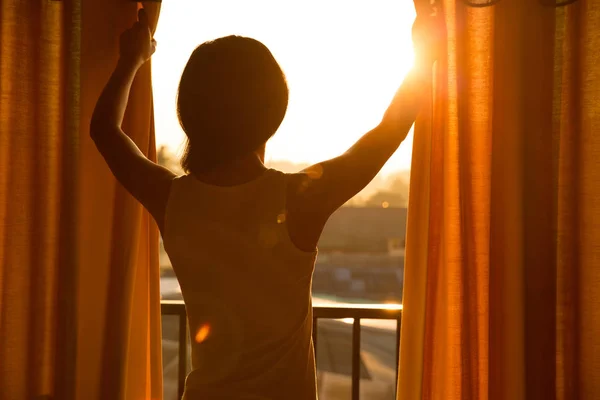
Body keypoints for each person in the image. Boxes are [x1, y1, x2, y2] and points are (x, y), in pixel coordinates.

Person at [90, 7, 442, 400]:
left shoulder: (173, 199)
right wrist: (424, 48)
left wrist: (131, 60)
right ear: (273, 112)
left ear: (189, 114)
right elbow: (390, 129)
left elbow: (104, 129)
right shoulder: (299, 199)